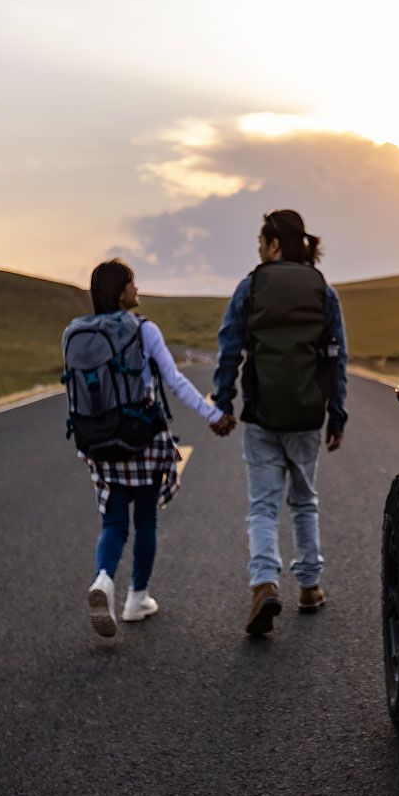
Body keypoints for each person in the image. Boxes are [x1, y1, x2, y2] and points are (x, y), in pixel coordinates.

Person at [73, 259, 230, 638]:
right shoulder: (144, 330)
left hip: (99, 443)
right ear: (120, 291)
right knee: (145, 520)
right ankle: (136, 598)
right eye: (132, 283)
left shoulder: (78, 332)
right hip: (141, 439)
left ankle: (104, 579)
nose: (137, 289)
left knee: (113, 524)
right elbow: (174, 381)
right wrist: (212, 415)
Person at [211, 209, 349, 636]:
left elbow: (229, 348)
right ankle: (309, 586)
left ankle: (264, 583)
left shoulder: (250, 286)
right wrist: (337, 413)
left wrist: (223, 401)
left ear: (274, 244)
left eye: (260, 240)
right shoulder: (323, 290)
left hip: (261, 414)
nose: (257, 247)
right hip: (308, 416)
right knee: (304, 501)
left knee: (263, 506)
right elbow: (337, 357)